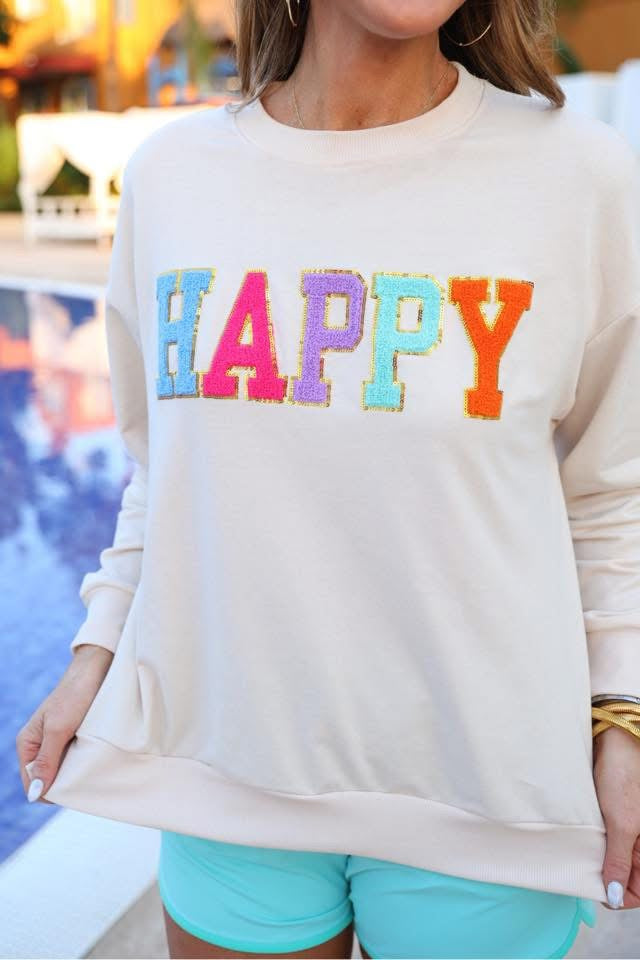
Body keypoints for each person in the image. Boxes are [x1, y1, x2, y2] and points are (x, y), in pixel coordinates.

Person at [16, 1, 640, 958]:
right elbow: (162, 468)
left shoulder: (581, 177)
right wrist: (95, 650)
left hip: (488, 798)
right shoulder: (173, 177)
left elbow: (616, 494)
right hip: (228, 777)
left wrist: (623, 721)